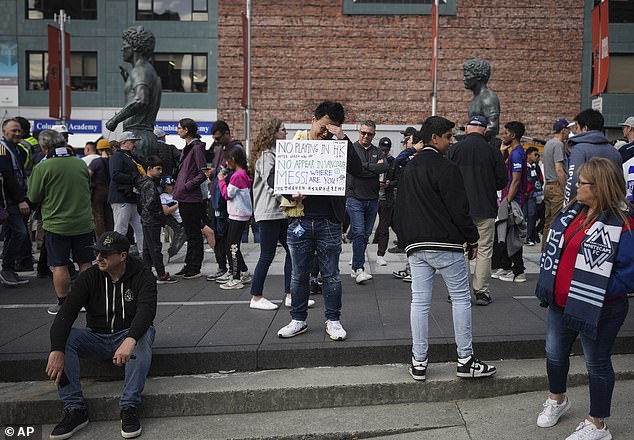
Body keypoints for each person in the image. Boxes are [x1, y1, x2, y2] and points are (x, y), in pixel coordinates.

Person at [534, 158, 633, 440]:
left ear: (599, 187)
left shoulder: (623, 224)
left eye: (582, 183)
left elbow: (628, 273)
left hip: (599, 307)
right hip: (560, 302)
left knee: (597, 363)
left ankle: (598, 424)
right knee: (554, 354)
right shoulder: (573, 213)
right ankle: (557, 399)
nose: (575, 185)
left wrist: (598, 290)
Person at [393, 116, 496, 382]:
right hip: (447, 244)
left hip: (416, 244)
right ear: (435, 138)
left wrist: (406, 241)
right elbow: (460, 210)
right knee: (461, 299)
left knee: (420, 301)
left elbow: (398, 211)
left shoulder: (409, 169)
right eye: (448, 137)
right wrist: (471, 239)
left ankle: (419, 362)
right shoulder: (447, 168)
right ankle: (465, 359)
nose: (451, 142)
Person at [45, 231, 157, 440]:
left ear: (122, 256)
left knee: (142, 337)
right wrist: (56, 349)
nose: (98, 258)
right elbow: (66, 314)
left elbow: (146, 312)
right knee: (65, 339)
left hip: (128, 334)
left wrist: (129, 340)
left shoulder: (143, 275)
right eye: (97, 253)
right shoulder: (89, 277)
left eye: (105, 254)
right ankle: (75, 409)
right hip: (97, 336)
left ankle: (129, 407)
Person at [277, 100, 363, 341]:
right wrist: (290, 193)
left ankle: (333, 320)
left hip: (329, 222)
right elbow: (278, 178)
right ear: (313, 120)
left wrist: (342, 138)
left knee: (331, 275)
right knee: (298, 274)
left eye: (332, 129)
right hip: (300, 220)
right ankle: (298, 319)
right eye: (323, 127)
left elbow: (356, 168)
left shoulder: (338, 146)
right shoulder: (295, 145)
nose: (325, 133)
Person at [27, 130, 95, 315]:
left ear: (44, 147)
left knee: (60, 265)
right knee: (85, 263)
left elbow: (33, 195)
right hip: (83, 222)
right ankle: (87, 301)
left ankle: (63, 303)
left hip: (57, 224)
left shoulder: (43, 167)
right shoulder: (80, 163)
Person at [448, 115, 508, 305]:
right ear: (484, 130)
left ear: (467, 129)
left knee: (461, 250)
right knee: (484, 251)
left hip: (460, 210)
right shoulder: (493, 151)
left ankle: (459, 290)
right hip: (485, 207)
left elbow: (446, 179)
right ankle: (481, 292)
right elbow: (502, 181)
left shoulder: (455, 149)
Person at [249, 119, 292, 310]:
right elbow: (271, 183)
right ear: (274, 133)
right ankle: (256, 297)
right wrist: (289, 200)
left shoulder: (275, 154)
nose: (286, 133)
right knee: (267, 255)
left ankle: (291, 294)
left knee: (292, 251)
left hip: (279, 212)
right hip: (269, 212)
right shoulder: (267, 156)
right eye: (283, 130)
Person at [105, 26, 161, 161]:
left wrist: (115, 119)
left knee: (136, 179)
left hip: (138, 137)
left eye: (125, 45)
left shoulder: (140, 70)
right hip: (143, 135)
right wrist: (128, 81)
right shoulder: (147, 70)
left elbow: (140, 100)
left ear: (135, 47)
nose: (122, 49)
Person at [346, 120, 388, 284]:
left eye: (369, 133)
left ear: (374, 135)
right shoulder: (352, 149)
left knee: (364, 235)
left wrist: (363, 168)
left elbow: (384, 167)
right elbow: (352, 169)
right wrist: (372, 168)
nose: (366, 136)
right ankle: (359, 268)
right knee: (359, 232)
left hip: (372, 198)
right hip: (354, 197)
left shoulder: (378, 151)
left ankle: (355, 266)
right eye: (363, 132)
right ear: (359, 132)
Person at [208, 120, 245, 282]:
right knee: (227, 239)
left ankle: (236, 271)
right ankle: (234, 269)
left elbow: (229, 191)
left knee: (231, 242)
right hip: (221, 199)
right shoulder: (220, 150)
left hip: (230, 204)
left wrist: (221, 179)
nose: (216, 141)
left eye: (218, 138)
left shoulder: (235, 152)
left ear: (227, 134)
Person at [492, 121, 528, 283]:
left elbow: (516, 180)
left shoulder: (517, 154)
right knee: (505, 235)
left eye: (505, 133)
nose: (502, 136)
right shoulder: (512, 152)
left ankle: (519, 271)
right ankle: (507, 267)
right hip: (508, 198)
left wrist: (508, 201)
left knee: (512, 235)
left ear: (513, 135)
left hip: (513, 200)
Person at [563, 109, 622, 206]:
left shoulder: (579, 150)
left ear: (585, 128)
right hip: (611, 207)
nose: (575, 132)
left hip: (586, 208)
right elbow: (620, 183)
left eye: (577, 128)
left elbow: (572, 182)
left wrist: (567, 207)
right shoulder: (615, 152)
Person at [172, 118, 208, 279]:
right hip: (184, 196)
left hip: (191, 197)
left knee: (194, 233)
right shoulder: (188, 147)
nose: (177, 130)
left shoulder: (197, 148)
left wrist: (187, 186)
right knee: (189, 232)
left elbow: (203, 173)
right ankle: (189, 265)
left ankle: (195, 267)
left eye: (180, 128)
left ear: (187, 130)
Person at [136, 155, 177, 284]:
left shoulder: (143, 183)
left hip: (145, 218)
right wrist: (160, 216)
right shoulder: (150, 185)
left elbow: (142, 204)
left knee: (148, 248)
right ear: (149, 168)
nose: (160, 172)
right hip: (152, 220)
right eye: (158, 169)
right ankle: (161, 274)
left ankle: (147, 273)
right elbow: (150, 204)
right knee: (155, 248)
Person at [0, 118, 31, 286]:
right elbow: (8, 176)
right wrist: (21, 200)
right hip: (8, 200)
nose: (17, 133)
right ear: (4, 131)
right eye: (13, 130)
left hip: (14, 198)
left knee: (13, 233)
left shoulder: (17, 149)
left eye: (19, 130)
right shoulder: (2, 149)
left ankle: (8, 269)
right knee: (20, 232)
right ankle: (6, 268)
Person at [217, 147, 252, 290]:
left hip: (237, 214)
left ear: (233, 160)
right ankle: (243, 271)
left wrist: (221, 181)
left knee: (232, 246)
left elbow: (227, 194)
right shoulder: (243, 174)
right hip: (240, 214)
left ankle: (236, 277)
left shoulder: (237, 176)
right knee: (233, 245)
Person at [108, 131, 145, 257]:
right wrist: (134, 178)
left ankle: (143, 254)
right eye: (132, 142)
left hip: (130, 197)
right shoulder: (118, 156)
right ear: (123, 143)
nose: (134, 144)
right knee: (120, 229)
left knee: (139, 228)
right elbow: (115, 175)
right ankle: (115, 255)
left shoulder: (128, 157)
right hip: (122, 197)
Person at [542, 118, 571, 251]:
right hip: (556, 186)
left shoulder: (549, 143)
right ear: (563, 130)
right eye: (568, 130)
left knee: (547, 222)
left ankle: (545, 250)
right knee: (557, 221)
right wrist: (565, 188)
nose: (569, 133)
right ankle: (553, 251)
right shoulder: (558, 145)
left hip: (548, 186)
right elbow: (559, 168)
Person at [463, 58, 500, 141]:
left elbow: (493, 127)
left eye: (467, 76)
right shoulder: (477, 98)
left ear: (478, 77)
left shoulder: (488, 98)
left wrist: (469, 132)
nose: (464, 79)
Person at [374, 137, 398, 266]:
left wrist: (390, 183)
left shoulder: (393, 162)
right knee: (363, 229)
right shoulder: (373, 157)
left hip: (386, 198)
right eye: (382, 149)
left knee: (384, 228)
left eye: (386, 149)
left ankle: (381, 255)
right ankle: (358, 254)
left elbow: (398, 178)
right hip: (371, 196)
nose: (384, 152)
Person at [89, 139, 115, 238]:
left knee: (98, 216)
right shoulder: (113, 160)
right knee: (109, 216)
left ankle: (101, 239)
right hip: (111, 190)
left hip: (98, 191)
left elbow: (89, 175)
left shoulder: (96, 162)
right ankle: (110, 238)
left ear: (99, 150)